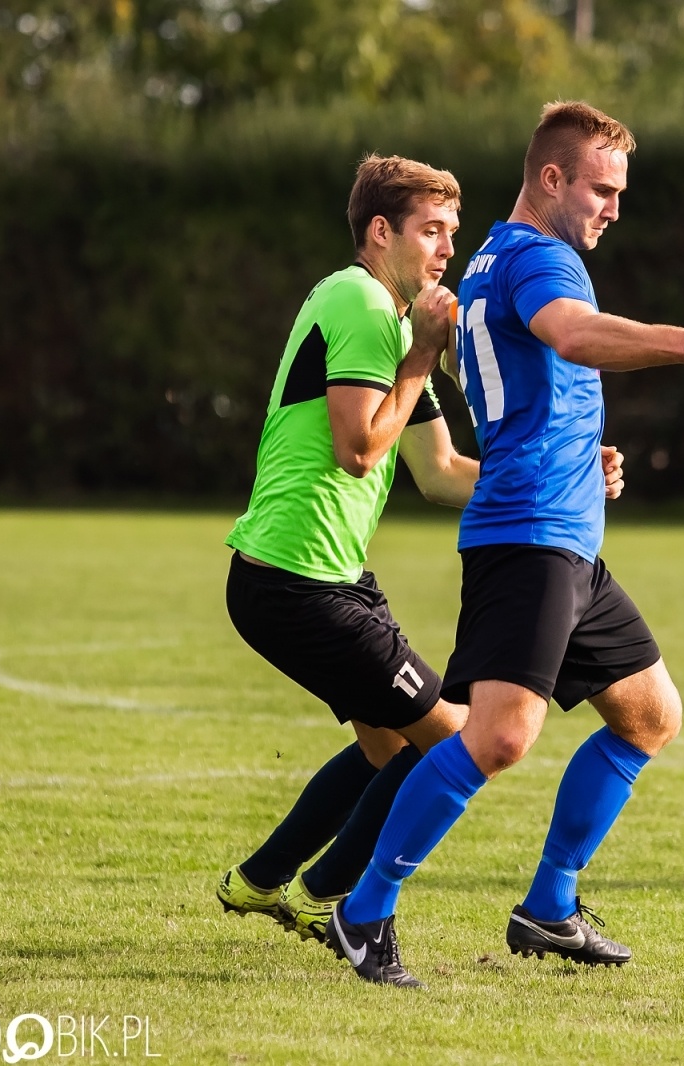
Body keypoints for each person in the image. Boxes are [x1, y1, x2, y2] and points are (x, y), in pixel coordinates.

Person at [325, 100, 684, 987]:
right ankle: (362, 910)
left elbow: (517, 378)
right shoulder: (537, 257)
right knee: (497, 738)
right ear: (552, 178)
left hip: (561, 531)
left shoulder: (488, 259)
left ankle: (549, 909)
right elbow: (569, 333)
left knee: (650, 717)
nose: (612, 207)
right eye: (601, 188)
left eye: (619, 192)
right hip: (529, 536)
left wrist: (574, 446)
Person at [215, 154, 479, 943]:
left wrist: (560, 476)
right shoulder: (363, 301)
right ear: (379, 232)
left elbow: (440, 476)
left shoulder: (394, 322)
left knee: (386, 741)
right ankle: (330, 896)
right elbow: (361, 449)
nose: (446, 250)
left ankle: (260, 882)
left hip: (322, 579)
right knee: (455, 742)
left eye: (452, 234)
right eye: (430, 231)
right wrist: (426, 352)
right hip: (297, 583)